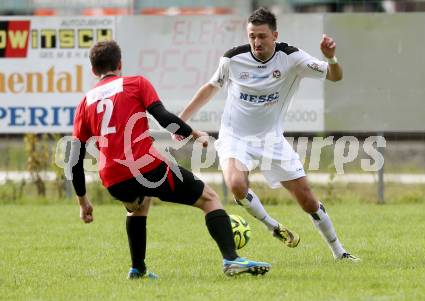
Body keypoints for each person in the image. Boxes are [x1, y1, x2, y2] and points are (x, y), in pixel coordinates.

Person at [69, 40, 271, 279]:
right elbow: (163, 117)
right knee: (209, 198)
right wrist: (193, 134)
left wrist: (83, 202)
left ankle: (138, 269)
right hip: (145, 166)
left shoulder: (85, 102)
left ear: (94, 71)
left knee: (140, 204)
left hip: (113, 177)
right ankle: (232, 259)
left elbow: (74, 160)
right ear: (120, 64)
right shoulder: (135, 83)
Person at [177, 7, 358, 261]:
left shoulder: (291, 57)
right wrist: (181, 122)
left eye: (262, 36)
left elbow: (335, 77)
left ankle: (340, 252)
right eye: (252, 36)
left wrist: (331, 58)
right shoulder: (233, 59)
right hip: (234, 137)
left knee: (307, 200)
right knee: (237, 184)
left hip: (271, 139)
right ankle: (273, 226)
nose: (256, 42)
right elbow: (210, 87)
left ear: (275, 35)